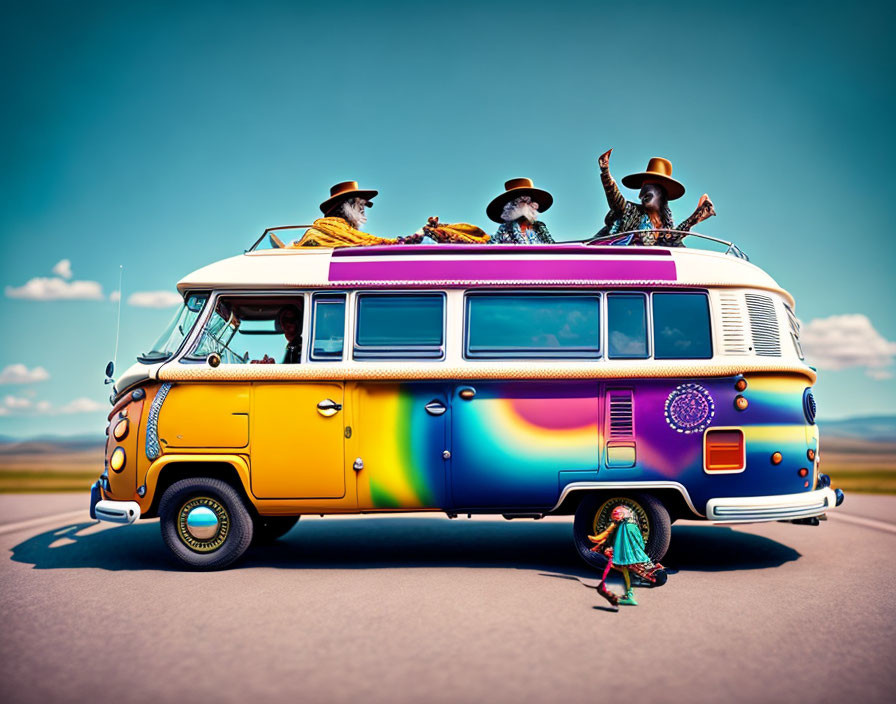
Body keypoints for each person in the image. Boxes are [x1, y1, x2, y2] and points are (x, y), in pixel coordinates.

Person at [595, 149, 716, 246]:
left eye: (649, 188)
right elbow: (615, 199)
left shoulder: (665, 225)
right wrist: (605, 171)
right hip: (614, 259)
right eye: (643, 189)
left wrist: (698, 215)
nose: (640, 195)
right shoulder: (630, 211)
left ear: (661, 195)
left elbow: (671, 239)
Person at [588, 505, 655, 607]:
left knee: (628, 573)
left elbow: (623, 542)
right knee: (628, 573)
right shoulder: (631, 526)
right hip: (631, 556)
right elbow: (639, 542)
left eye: (617, 516)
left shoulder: (626, 527)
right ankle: (628, 594)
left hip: (628, 557)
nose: (615, 519)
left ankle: (628, 596)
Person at [487, 178, 555, 244]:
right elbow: (492, 247)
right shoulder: (505, 230)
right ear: (513, 206)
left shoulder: (540, 228)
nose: (531, 205)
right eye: (525, 201)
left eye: (531, 202)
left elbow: (552, 248)